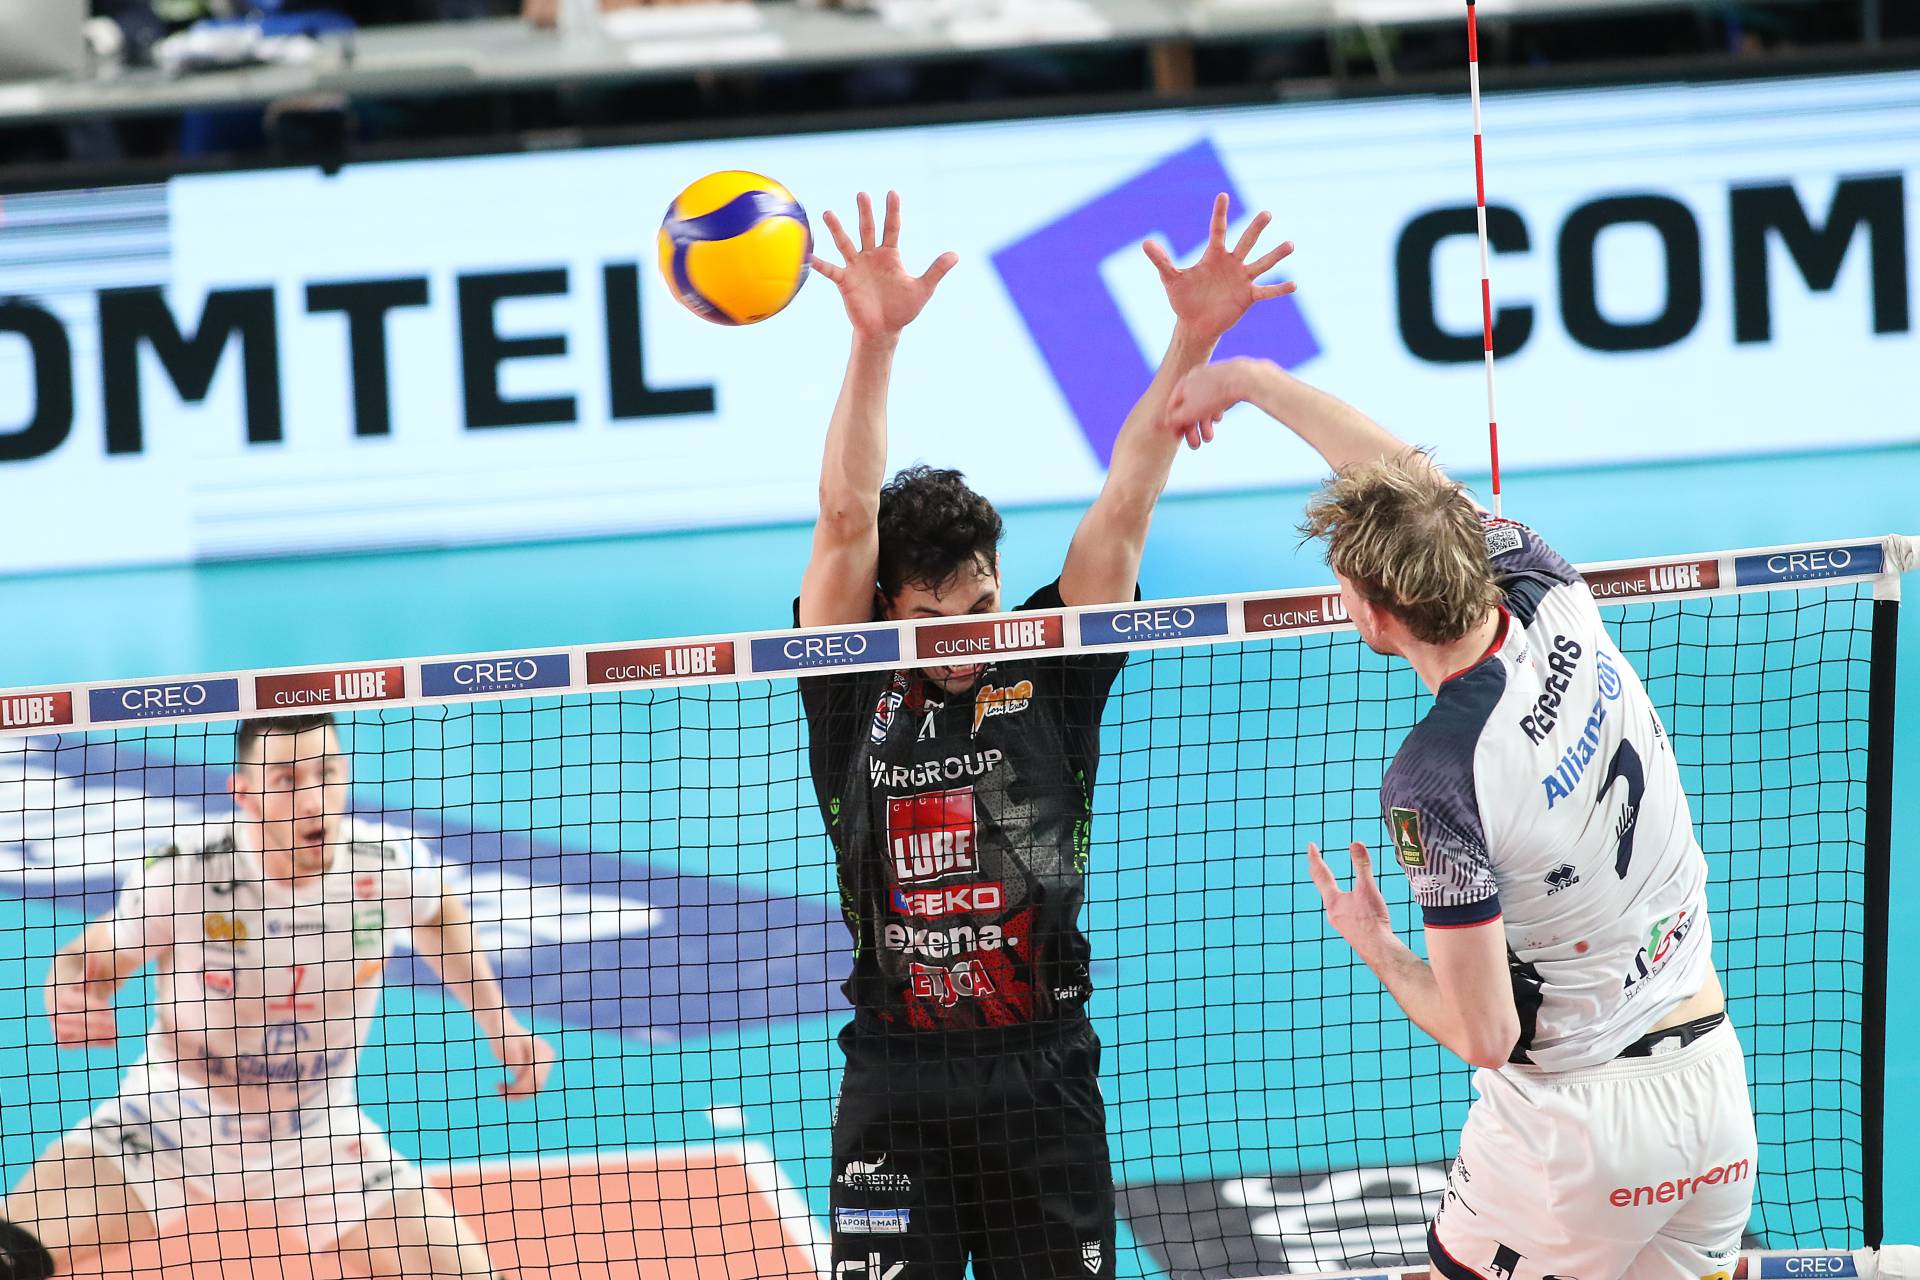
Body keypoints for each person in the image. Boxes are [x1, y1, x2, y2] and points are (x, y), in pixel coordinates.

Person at [1164, 357, 1756, 1278]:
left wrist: (1377, 945)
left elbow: (1486, 1036)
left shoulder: (1437, 777)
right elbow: (1416, 488)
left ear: (1376, 617)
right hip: (1714, 1091)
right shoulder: (1548, 584)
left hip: (1576, 1131)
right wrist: (1250, 379)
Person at [796, 189, 1293, 1278]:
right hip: (896, 1084)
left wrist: (1194, 337)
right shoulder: (847, 681)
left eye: (978, 607)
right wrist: (874, 343)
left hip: (1043, 1077)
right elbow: (844, 519)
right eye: (930, 620)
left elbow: (1125, 503)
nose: (963, 639)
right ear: (885, 612)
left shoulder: (1047, 659)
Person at [0, 713, 556, 1280]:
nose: (314, 800)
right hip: (167, 1123)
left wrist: (500, 1022)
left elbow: (438, 917)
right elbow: (92, 956)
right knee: (7, 1254)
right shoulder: (187, 869)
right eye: (288, 780)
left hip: (320, 1139)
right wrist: (71, 988)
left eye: (327, 773)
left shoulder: (387, 863)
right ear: (244, 793)